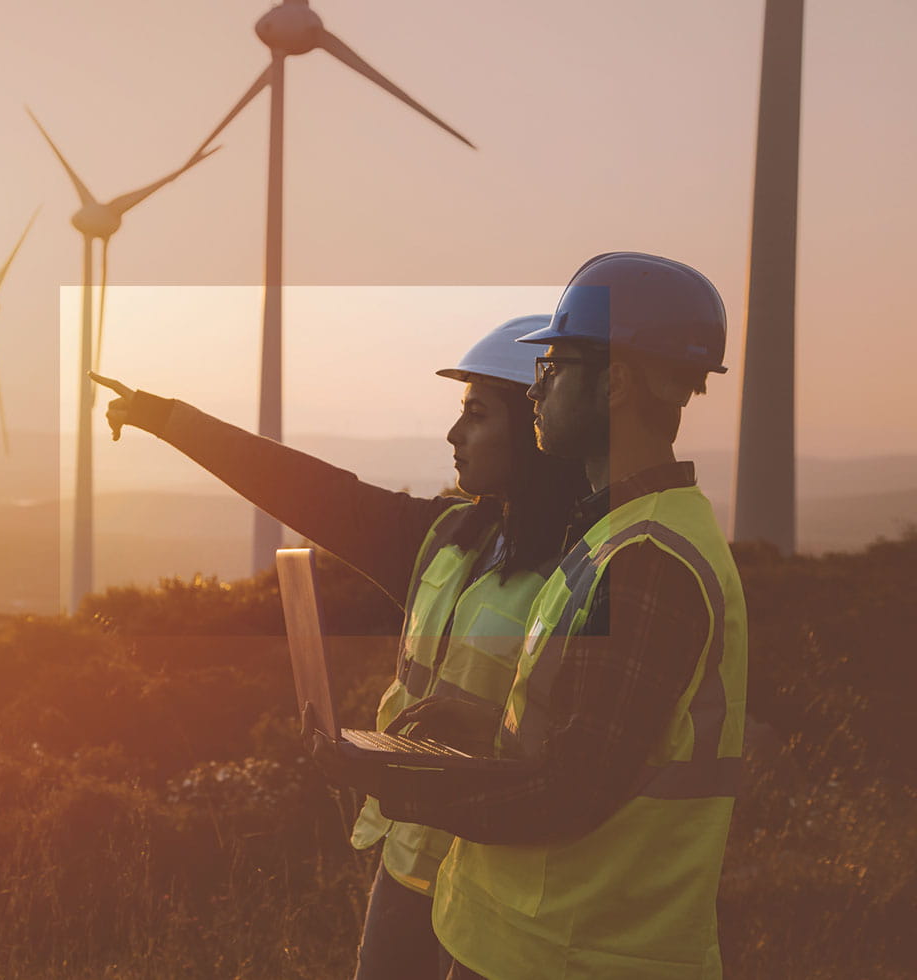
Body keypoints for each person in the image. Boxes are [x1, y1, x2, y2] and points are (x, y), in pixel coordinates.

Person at [95, 316, 589, 980]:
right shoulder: (443, 537)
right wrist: (170, 420)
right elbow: (310, 490)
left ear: (533, 429)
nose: (454, 434)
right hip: (408, 866)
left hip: (503, 884)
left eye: (476, 415)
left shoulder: (585, 570)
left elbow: (577, 755)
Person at [320, 252, 749, 980]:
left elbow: (571, 793)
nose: (538, 388)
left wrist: (398, 780)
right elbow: (586, 742)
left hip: (580, 955)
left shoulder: (647, 560)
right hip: (524, 943)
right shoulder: (613, 536)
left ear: (612, 384)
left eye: (551, 367)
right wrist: (479, 730)